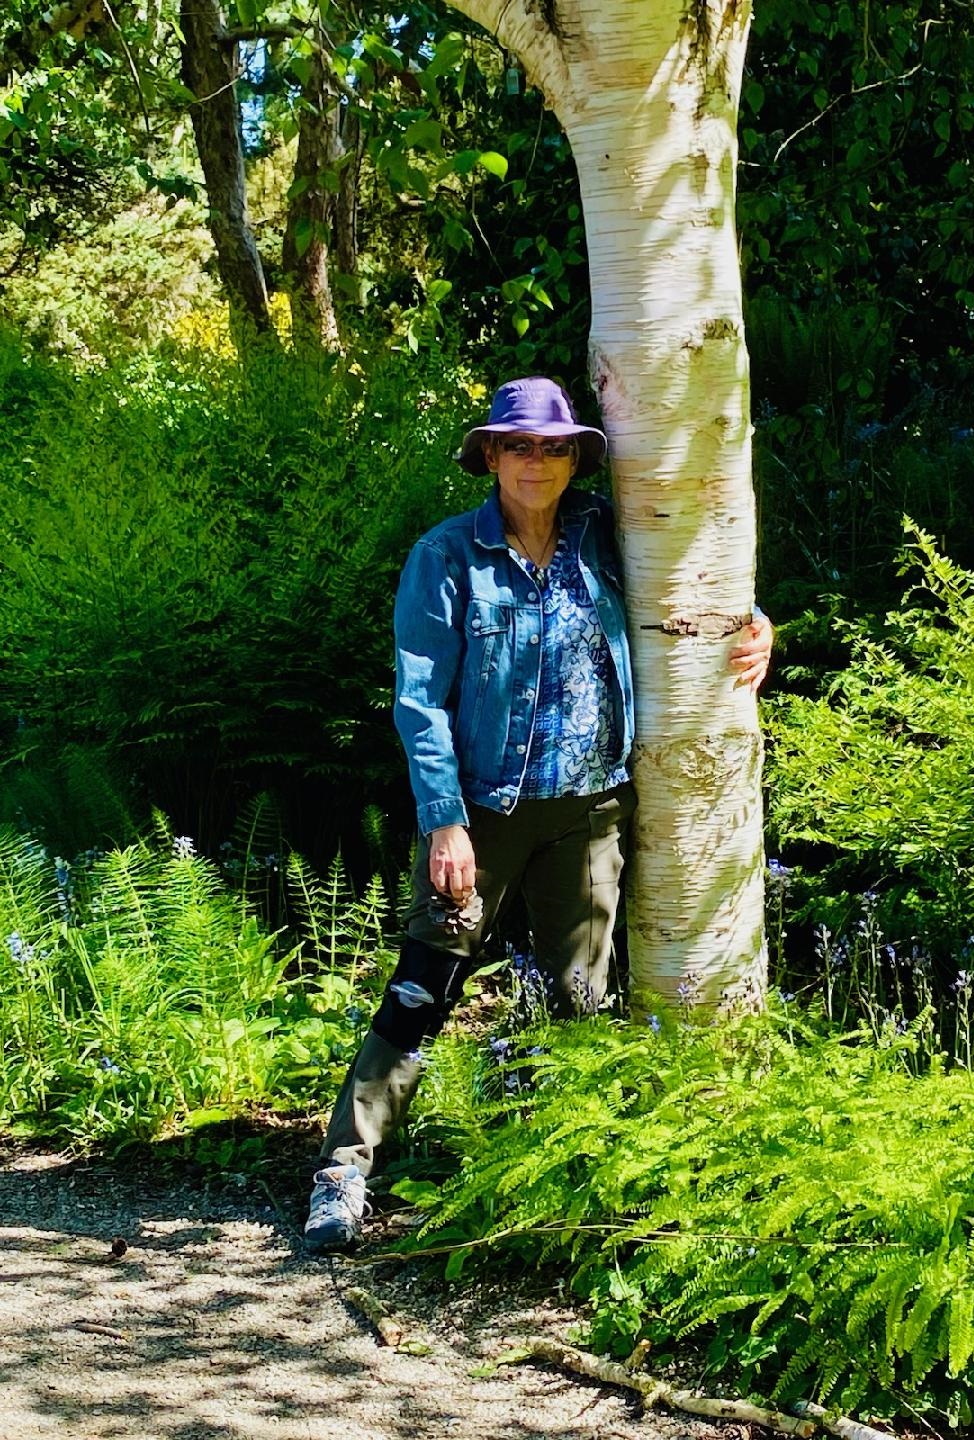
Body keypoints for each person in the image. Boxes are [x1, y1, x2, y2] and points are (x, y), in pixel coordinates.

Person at [304, 377, 773, 1253]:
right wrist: (445, 822)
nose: (537, 461)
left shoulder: (603, 533)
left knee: (577, 1002)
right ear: (488, 454)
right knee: (422, 989)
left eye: (554, 447)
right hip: (484, 813)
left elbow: (691, 581)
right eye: (518, 445)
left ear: (574, 458)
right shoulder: (446, 557)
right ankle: (343, 1172)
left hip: (589, 811)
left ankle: (549, 1178)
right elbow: (419, 701)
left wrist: (755, 621)